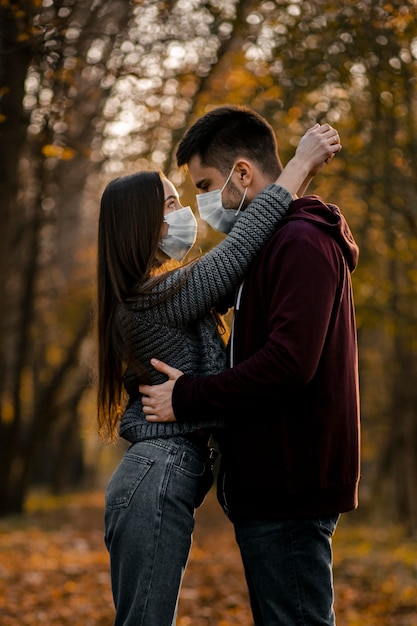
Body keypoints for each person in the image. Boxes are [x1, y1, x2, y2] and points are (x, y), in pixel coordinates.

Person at [96, 113, 341, 626]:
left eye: (192, 194)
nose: (189, 211)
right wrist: (295, 169)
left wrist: (294, 191)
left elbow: (249, 262)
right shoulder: (151, 299)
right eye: (172, 203)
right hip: (157, 471)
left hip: (169, 472)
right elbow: (236, 256)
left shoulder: (168, 291)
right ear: (145, 225)